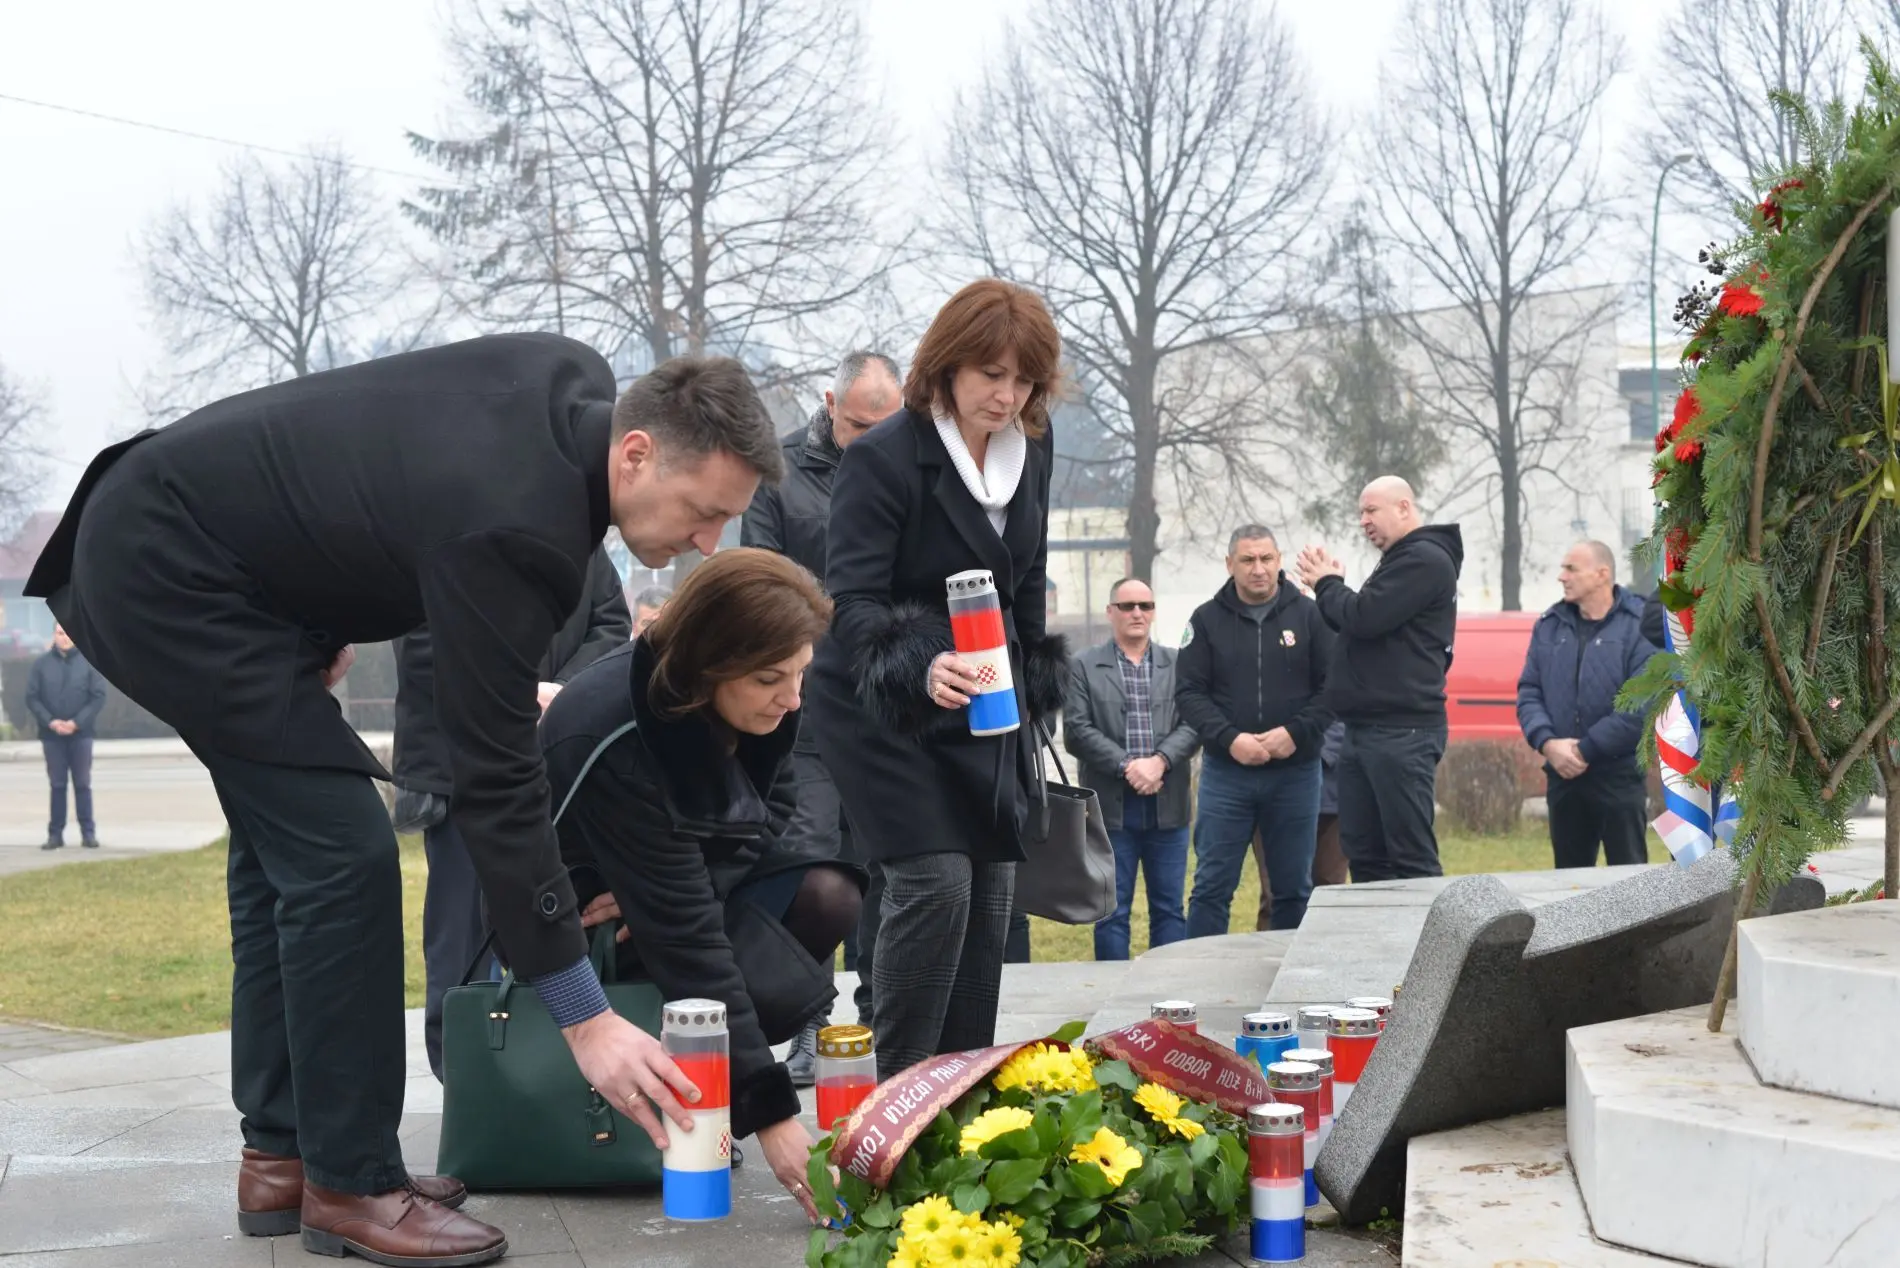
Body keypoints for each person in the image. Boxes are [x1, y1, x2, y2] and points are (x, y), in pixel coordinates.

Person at [26, 336, 780, 1265]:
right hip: (167, 572)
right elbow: (496, 780)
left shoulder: (569, 381)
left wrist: (315, 606)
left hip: (196, 547)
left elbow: (378, 469)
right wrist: (584, 1017)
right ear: (635, 453)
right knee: (343, 856)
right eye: (705, 512)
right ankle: (352, 1184)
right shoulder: (519, 527)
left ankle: (284, 1155)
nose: (709, 544)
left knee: (286, 855)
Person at [539, 548, 859, 1224]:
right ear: (710, 663)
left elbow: (771, 812)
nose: (793, 698)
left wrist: (692, 874)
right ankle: (685, 1087)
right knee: (694, 946)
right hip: (578, 931)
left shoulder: (763, 697)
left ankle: (703, 1071)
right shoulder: (618, 734)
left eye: (801, 673)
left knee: (827, 893)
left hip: (661, 900)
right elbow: (688, 943)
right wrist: (773, 1116)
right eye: (771, 679)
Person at [805, 278, 1069, 1081]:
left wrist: (1032, 684)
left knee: (990, 896)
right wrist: (922, 663)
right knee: (936, 882)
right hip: (883, 710)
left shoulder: (1032, 447)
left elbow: (1027, 579)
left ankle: (961, 1092)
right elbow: (849, 602)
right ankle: (898, 1090)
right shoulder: (884, 455)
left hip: (988, 702)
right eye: (991, 374)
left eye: (1023, 379)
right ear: (948, 365)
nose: (1007, 395)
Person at [393, 547, 631, 1081]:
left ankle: (553, 1073)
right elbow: (425, 634)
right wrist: (516, 694)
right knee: (461, 929)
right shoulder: (449, 529)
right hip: (465, 761)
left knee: (561, 912)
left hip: (562, 752)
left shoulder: (587, 546)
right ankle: (463, 1073)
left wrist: (564, 695)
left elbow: (611, 624)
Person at [741, 350, 901, 1071]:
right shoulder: (777, 474)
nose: (871, 440)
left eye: (885, 426)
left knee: (886, 862)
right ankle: (809, 1017)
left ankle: (882, 1016)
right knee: (810, 862)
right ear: (831, 405)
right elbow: (760, 578)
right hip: (804, 706)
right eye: (860, 425)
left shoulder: (908, 467)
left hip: (884, 700)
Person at [1296, 477, 1463, 882]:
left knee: (1410, 857)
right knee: (1365, 854)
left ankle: (1426, 927)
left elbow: (1363, 616)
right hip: (1365, 729)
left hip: (1401, 732)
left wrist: (1327, 584)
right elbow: (1363, 621)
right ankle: (1379, 927)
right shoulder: (1400, 559)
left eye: (1371, 510)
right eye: (1360, 512)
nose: (1363, 521)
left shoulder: (1424, 559)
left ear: (1403, 507)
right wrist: (1334, 591)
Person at [1177, 527, 1335, 933]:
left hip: (1295, 773)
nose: (1258, 569)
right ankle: (1200, 969)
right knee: (1211, 887)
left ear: (1279, 560)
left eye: (1266, 558)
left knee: (1293, 890)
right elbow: (1189, 693)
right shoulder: (1205, 620)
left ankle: (1286, 970)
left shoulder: (1311, 616)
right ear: (1230, 564)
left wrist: (1295, 733)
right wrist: (1230, 739)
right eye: (1248, 560)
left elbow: (1334, 688)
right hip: (1227, 775)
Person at [1063, 578, 1199, 961]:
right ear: (1111, 612)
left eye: (1145, 605)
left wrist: (1160, 761)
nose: (1137, 613)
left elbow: (1195, 722)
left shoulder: (1179, 664)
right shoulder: (1083, 666)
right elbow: (1076, 730)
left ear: (1153, 612)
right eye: (1127, 606)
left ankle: (1167, 991)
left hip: (1168, 805)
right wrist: (1128, 766)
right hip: (1109, 810)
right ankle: (1112, 992)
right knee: (1111, 912)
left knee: (1170, 909)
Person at [1517, 541, 1660, 868]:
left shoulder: (1640, 625)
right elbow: (1529, 692)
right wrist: (1548, 744)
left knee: (1629, 883)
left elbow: (1642, 701)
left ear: (1602, 574)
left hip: (1619, 777)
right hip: (1563, 778)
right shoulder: (1549, 626)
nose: (1561, 576)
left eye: (1571, 569)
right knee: (1568, 885)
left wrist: (1584, 751)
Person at [25, 623, 106, 850]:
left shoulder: (89, 663)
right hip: (52, 736)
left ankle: (88, 834)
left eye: (69, 633)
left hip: (81, 735)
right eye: (61, 633)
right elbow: (32, 697)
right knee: (57, 785)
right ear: (54, 635)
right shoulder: (41, 665)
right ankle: (55, 835)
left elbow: (98, 696)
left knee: (82, 784)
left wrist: (76, 723)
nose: (65, 638)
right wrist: (51, 721)